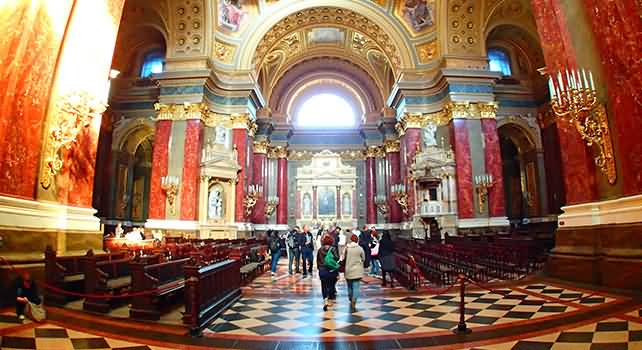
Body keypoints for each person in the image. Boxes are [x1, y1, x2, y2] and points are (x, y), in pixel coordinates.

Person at [343, 233, 365, 311]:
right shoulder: (360, 248)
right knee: (356, 286)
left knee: (349, 285)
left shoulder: (347, 248)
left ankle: (350, 297)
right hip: (358, 270)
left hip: (348, 269)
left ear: (351, 240)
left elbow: (343, 258)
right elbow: (363, 258)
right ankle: (354, 301)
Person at [317, 234, 339, 311]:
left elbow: (318, 261)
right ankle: (331, 299)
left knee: (323, 285)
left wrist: (319, 269)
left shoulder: (320, 250)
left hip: (322, 270)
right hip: (331, 270)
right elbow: (337, 258)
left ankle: (325, 300)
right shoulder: (333, 249)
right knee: (331, 285)